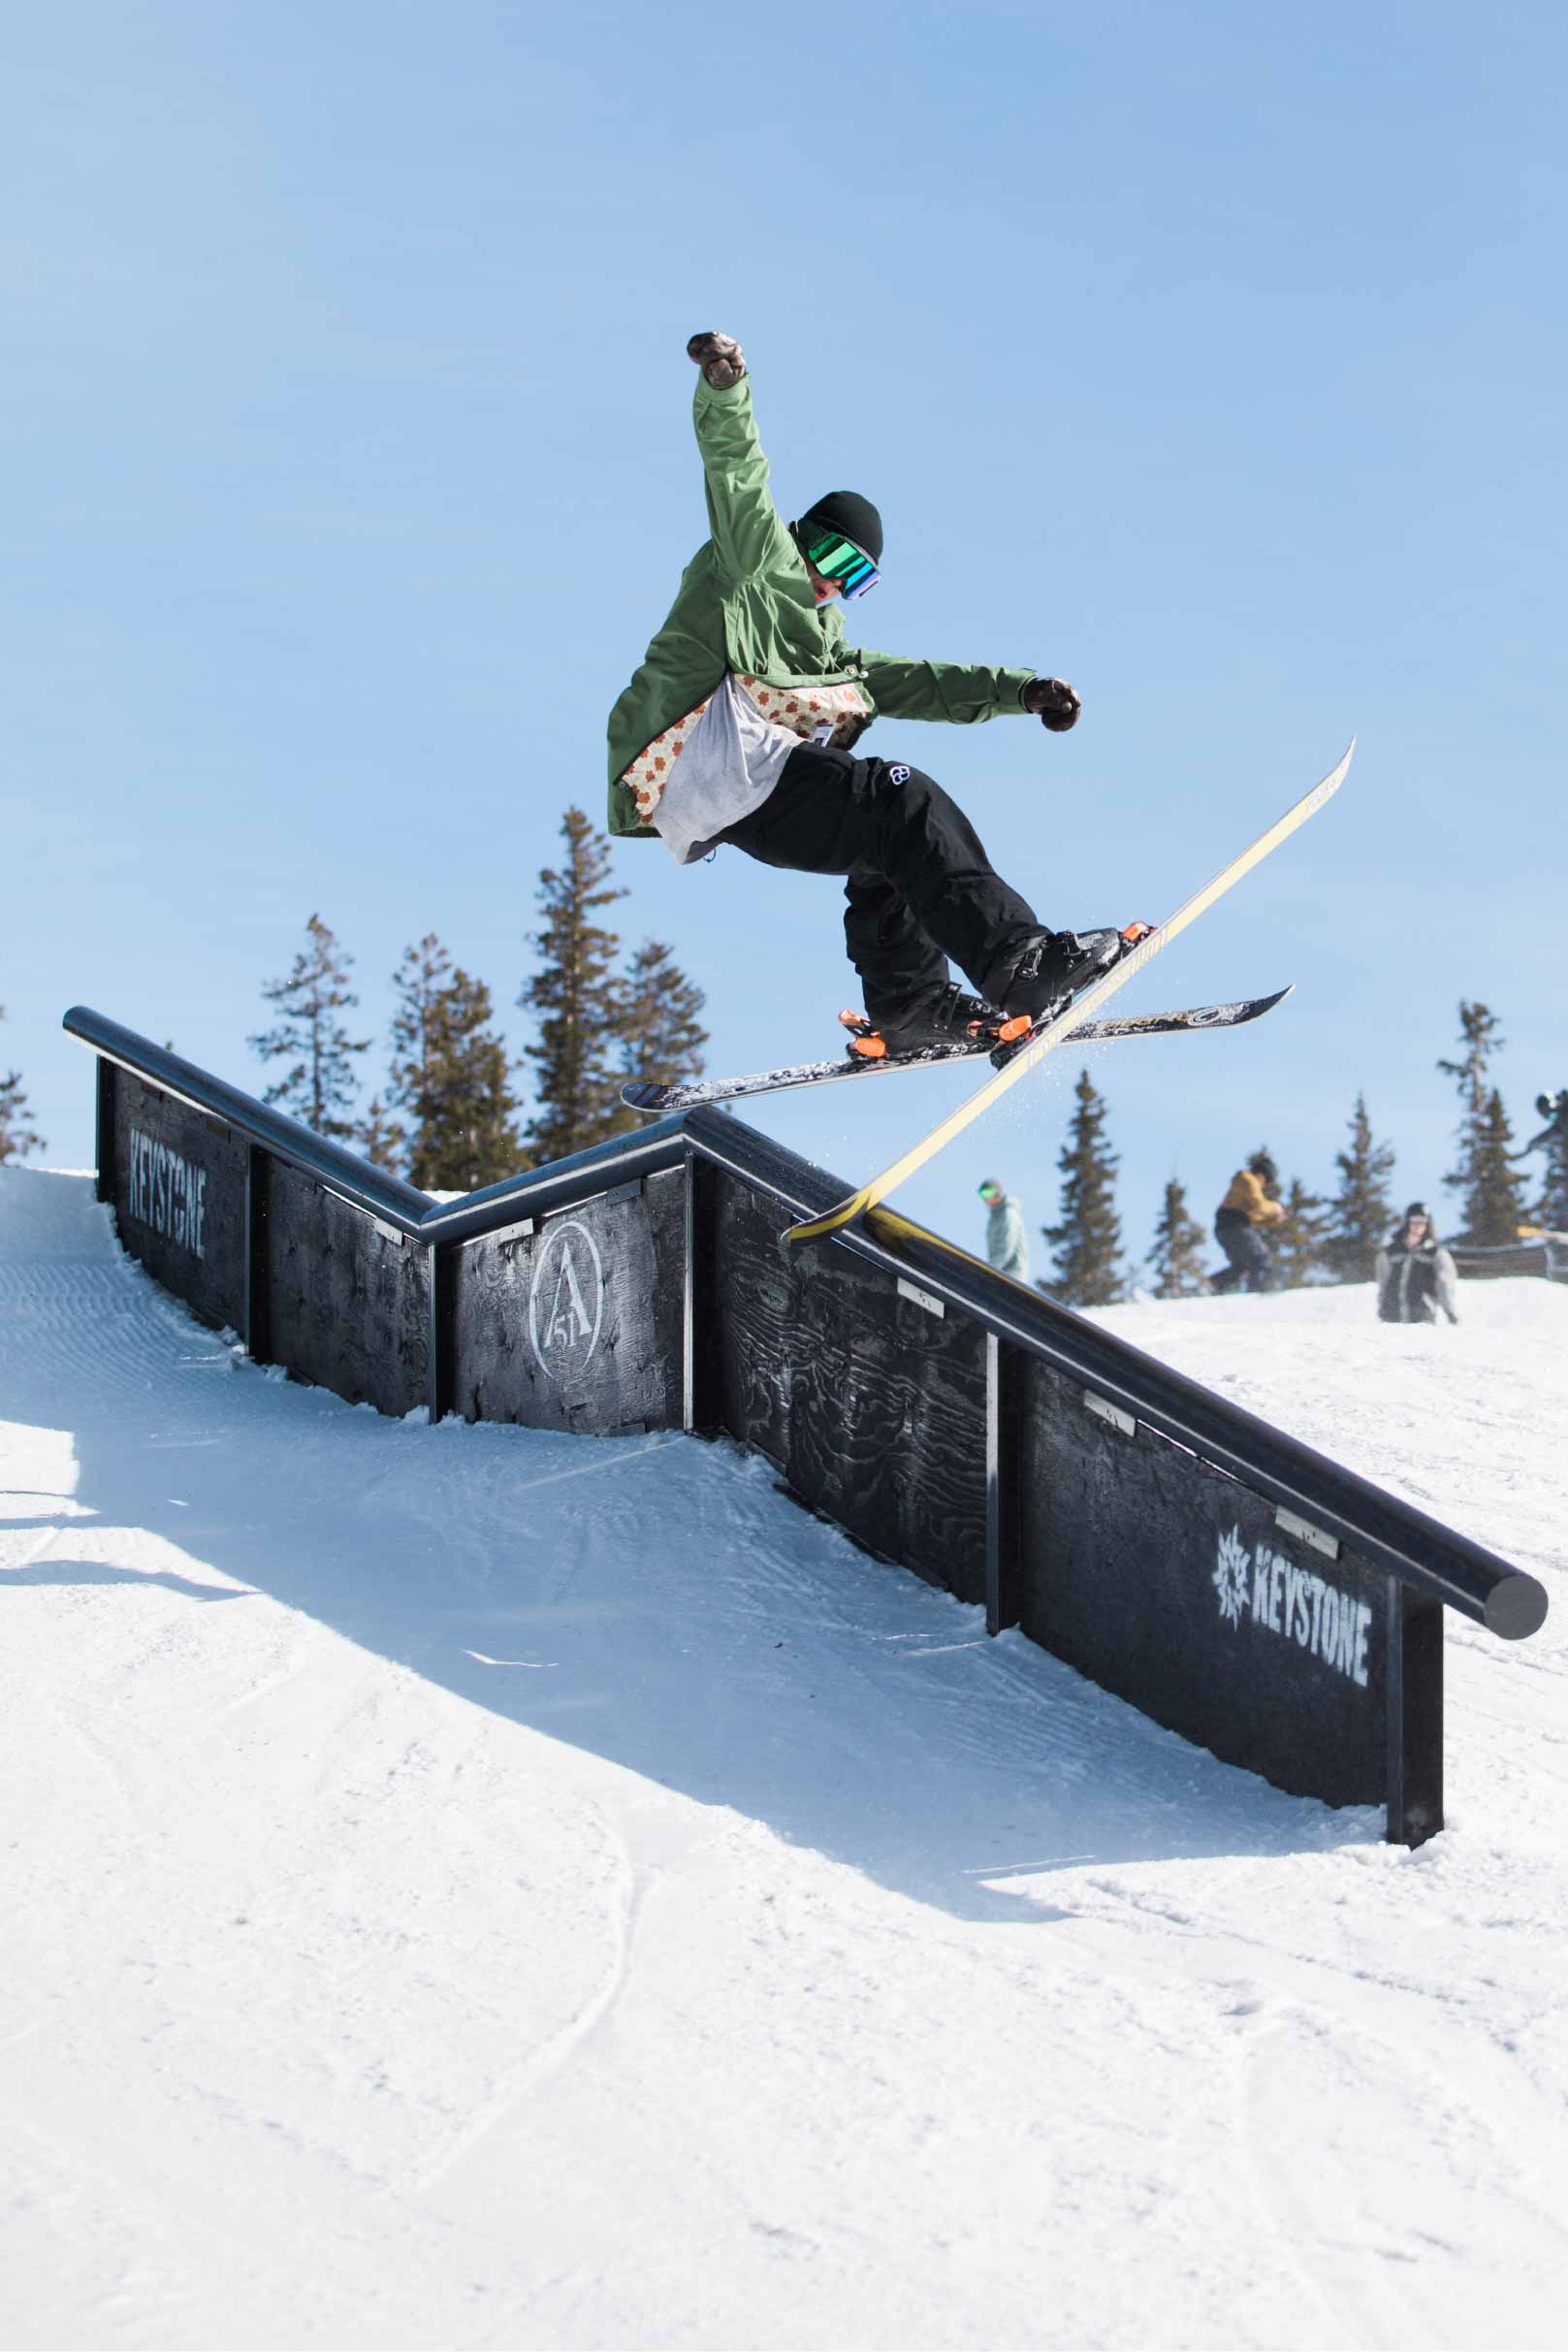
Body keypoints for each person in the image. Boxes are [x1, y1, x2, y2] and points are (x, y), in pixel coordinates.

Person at [606, 329, 1127, 1057]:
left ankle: (907, 1003)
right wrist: (726, 390)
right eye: (830, 559)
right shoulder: (753, 562)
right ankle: (1019, 962)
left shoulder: (825, 651)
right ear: (802, 538)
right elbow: (737, 475)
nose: (831, 582)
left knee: (891, 844)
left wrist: (1023, 690)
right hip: (706, 753)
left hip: (739, 797)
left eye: (855, 578)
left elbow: (916, 680)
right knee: (898, 795)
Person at [1377, 1203, 1459, 1325]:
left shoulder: (1436, 1254)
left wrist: (1450, 1313)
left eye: (1423, 1221)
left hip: (1421, 1320)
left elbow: (1445, 1285)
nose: (1418, 1225)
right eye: (1415, 1220)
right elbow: (1383, 1283)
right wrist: (1382, 1308)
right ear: (1407, 1222)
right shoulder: (1391, 1252)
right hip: (1392, 1320)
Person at [1210, 1166, 1285, 1294]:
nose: (1264, 1186)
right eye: (1267, 1182)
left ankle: (1212, 1285)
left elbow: (1252, 1218)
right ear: (1263, 1176)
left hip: (1227, 1228)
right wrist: (1276, 1208)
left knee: (1241, 1266)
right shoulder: (1248, 1179)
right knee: (1260, 1258)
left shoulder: (1244, 1187)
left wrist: (1272, 1219)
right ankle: (1254, 1295)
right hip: (1233, 1226)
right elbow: (1259, 1205)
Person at [978, 1178, 1030, 1281]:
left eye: (987, 1193)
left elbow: (1006, 1247)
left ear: (997, 1193)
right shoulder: (994, 1216)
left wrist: (990, 1270)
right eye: (982, 1194)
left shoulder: (1009, 1215)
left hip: (1013, 1273)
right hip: (1000, 1271)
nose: (985, 1198)